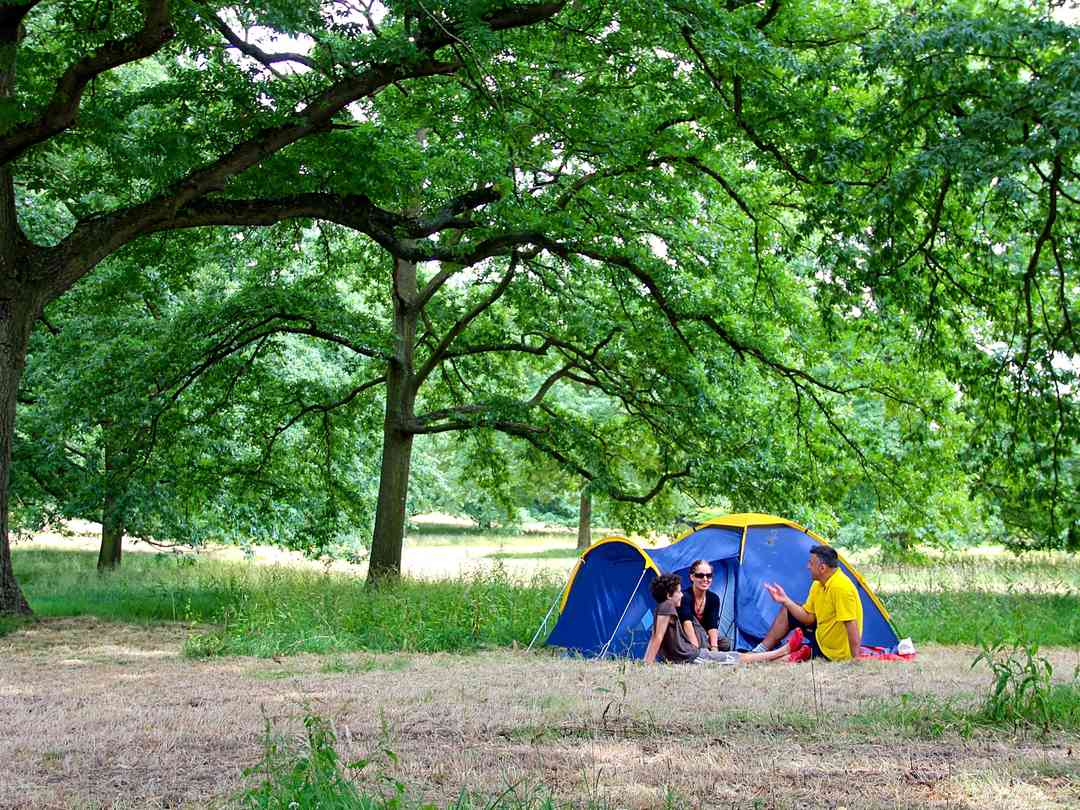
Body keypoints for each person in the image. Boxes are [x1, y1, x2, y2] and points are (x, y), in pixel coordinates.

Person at [643, 573, 798, 664]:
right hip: (691, 656)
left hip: (692, 654)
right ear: (669, 595)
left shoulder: (661, 608)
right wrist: (647, 664)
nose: (682, 594)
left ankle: (785, 657)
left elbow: (654, 637)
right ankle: (784, 652)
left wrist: (645, 662)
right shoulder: (667, 606)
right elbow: (657, 637)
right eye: (678, 592)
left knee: (734, 659)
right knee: (737, 658)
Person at [756, 544, 863, 662]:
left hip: (834, 651)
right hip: (821, 635)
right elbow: (809, 618)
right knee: (787, 610)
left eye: (811, 563)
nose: (807, 566)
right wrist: (785, 600)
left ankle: (780, 654)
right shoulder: (818, 584)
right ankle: (761, 649)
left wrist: (856, 659)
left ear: (822, 568)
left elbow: (851, 624)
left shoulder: (841, 587)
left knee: (783, 660)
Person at [678, 559, 730, 652]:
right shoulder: (684, 596)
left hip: (703, 635)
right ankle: (702, 647)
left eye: (709, 576)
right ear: (692, 577)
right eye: (700, 575)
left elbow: (712, 625)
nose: (705, 579)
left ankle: (706, 647)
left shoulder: (713, 598)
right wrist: (696, 649)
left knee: (725, 643)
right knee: (698, 631)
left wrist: (714, 647)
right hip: (685, 635)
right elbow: (687, 624)